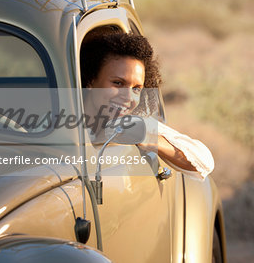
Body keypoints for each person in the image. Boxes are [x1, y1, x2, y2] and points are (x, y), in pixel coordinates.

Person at [80, 26, 214, 181]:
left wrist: (145, 139)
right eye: (117, 83)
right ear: (90, 80)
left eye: (137, 89)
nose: (128, 97)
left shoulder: (133, 123)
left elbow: (204, 161)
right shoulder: (61, 117)